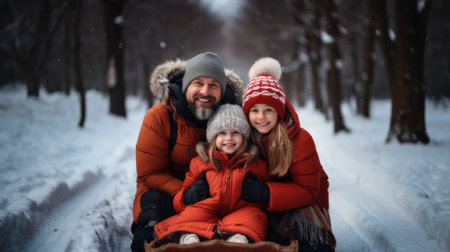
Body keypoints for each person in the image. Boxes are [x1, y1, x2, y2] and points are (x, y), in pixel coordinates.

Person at [131, 52, 244, 252]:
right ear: (186, 86)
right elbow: (149, 174)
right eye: (198, 83)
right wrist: (185, 192)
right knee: (149, 236)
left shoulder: (232, 116)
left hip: (217, 192)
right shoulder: (160, 117)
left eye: (213, 85)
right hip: (165, 192)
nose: (205, 91)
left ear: (222, 90)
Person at [240, 57, 336, 252]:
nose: (261, 117)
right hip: (262, 206)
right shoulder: (243, 139)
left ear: (280, 112)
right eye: (254, 110)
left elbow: (309, 191)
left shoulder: (300, 140)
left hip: (303, 207)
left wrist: (266, 192)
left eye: (269, 110)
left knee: (308, 242)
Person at [153, 104, 271, 246]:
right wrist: (188, 196)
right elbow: (182, 195)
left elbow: (268, 191)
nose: (229, 138)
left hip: (241, 209)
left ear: (244, 137)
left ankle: (238, 238)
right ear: (213, 138)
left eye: (235, 133)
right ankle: (188, 236)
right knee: (188, 216)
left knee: (253, 217)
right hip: (207, 208)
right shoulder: (200, 162)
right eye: (222, 133)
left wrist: (260, 192)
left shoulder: (255, 164)